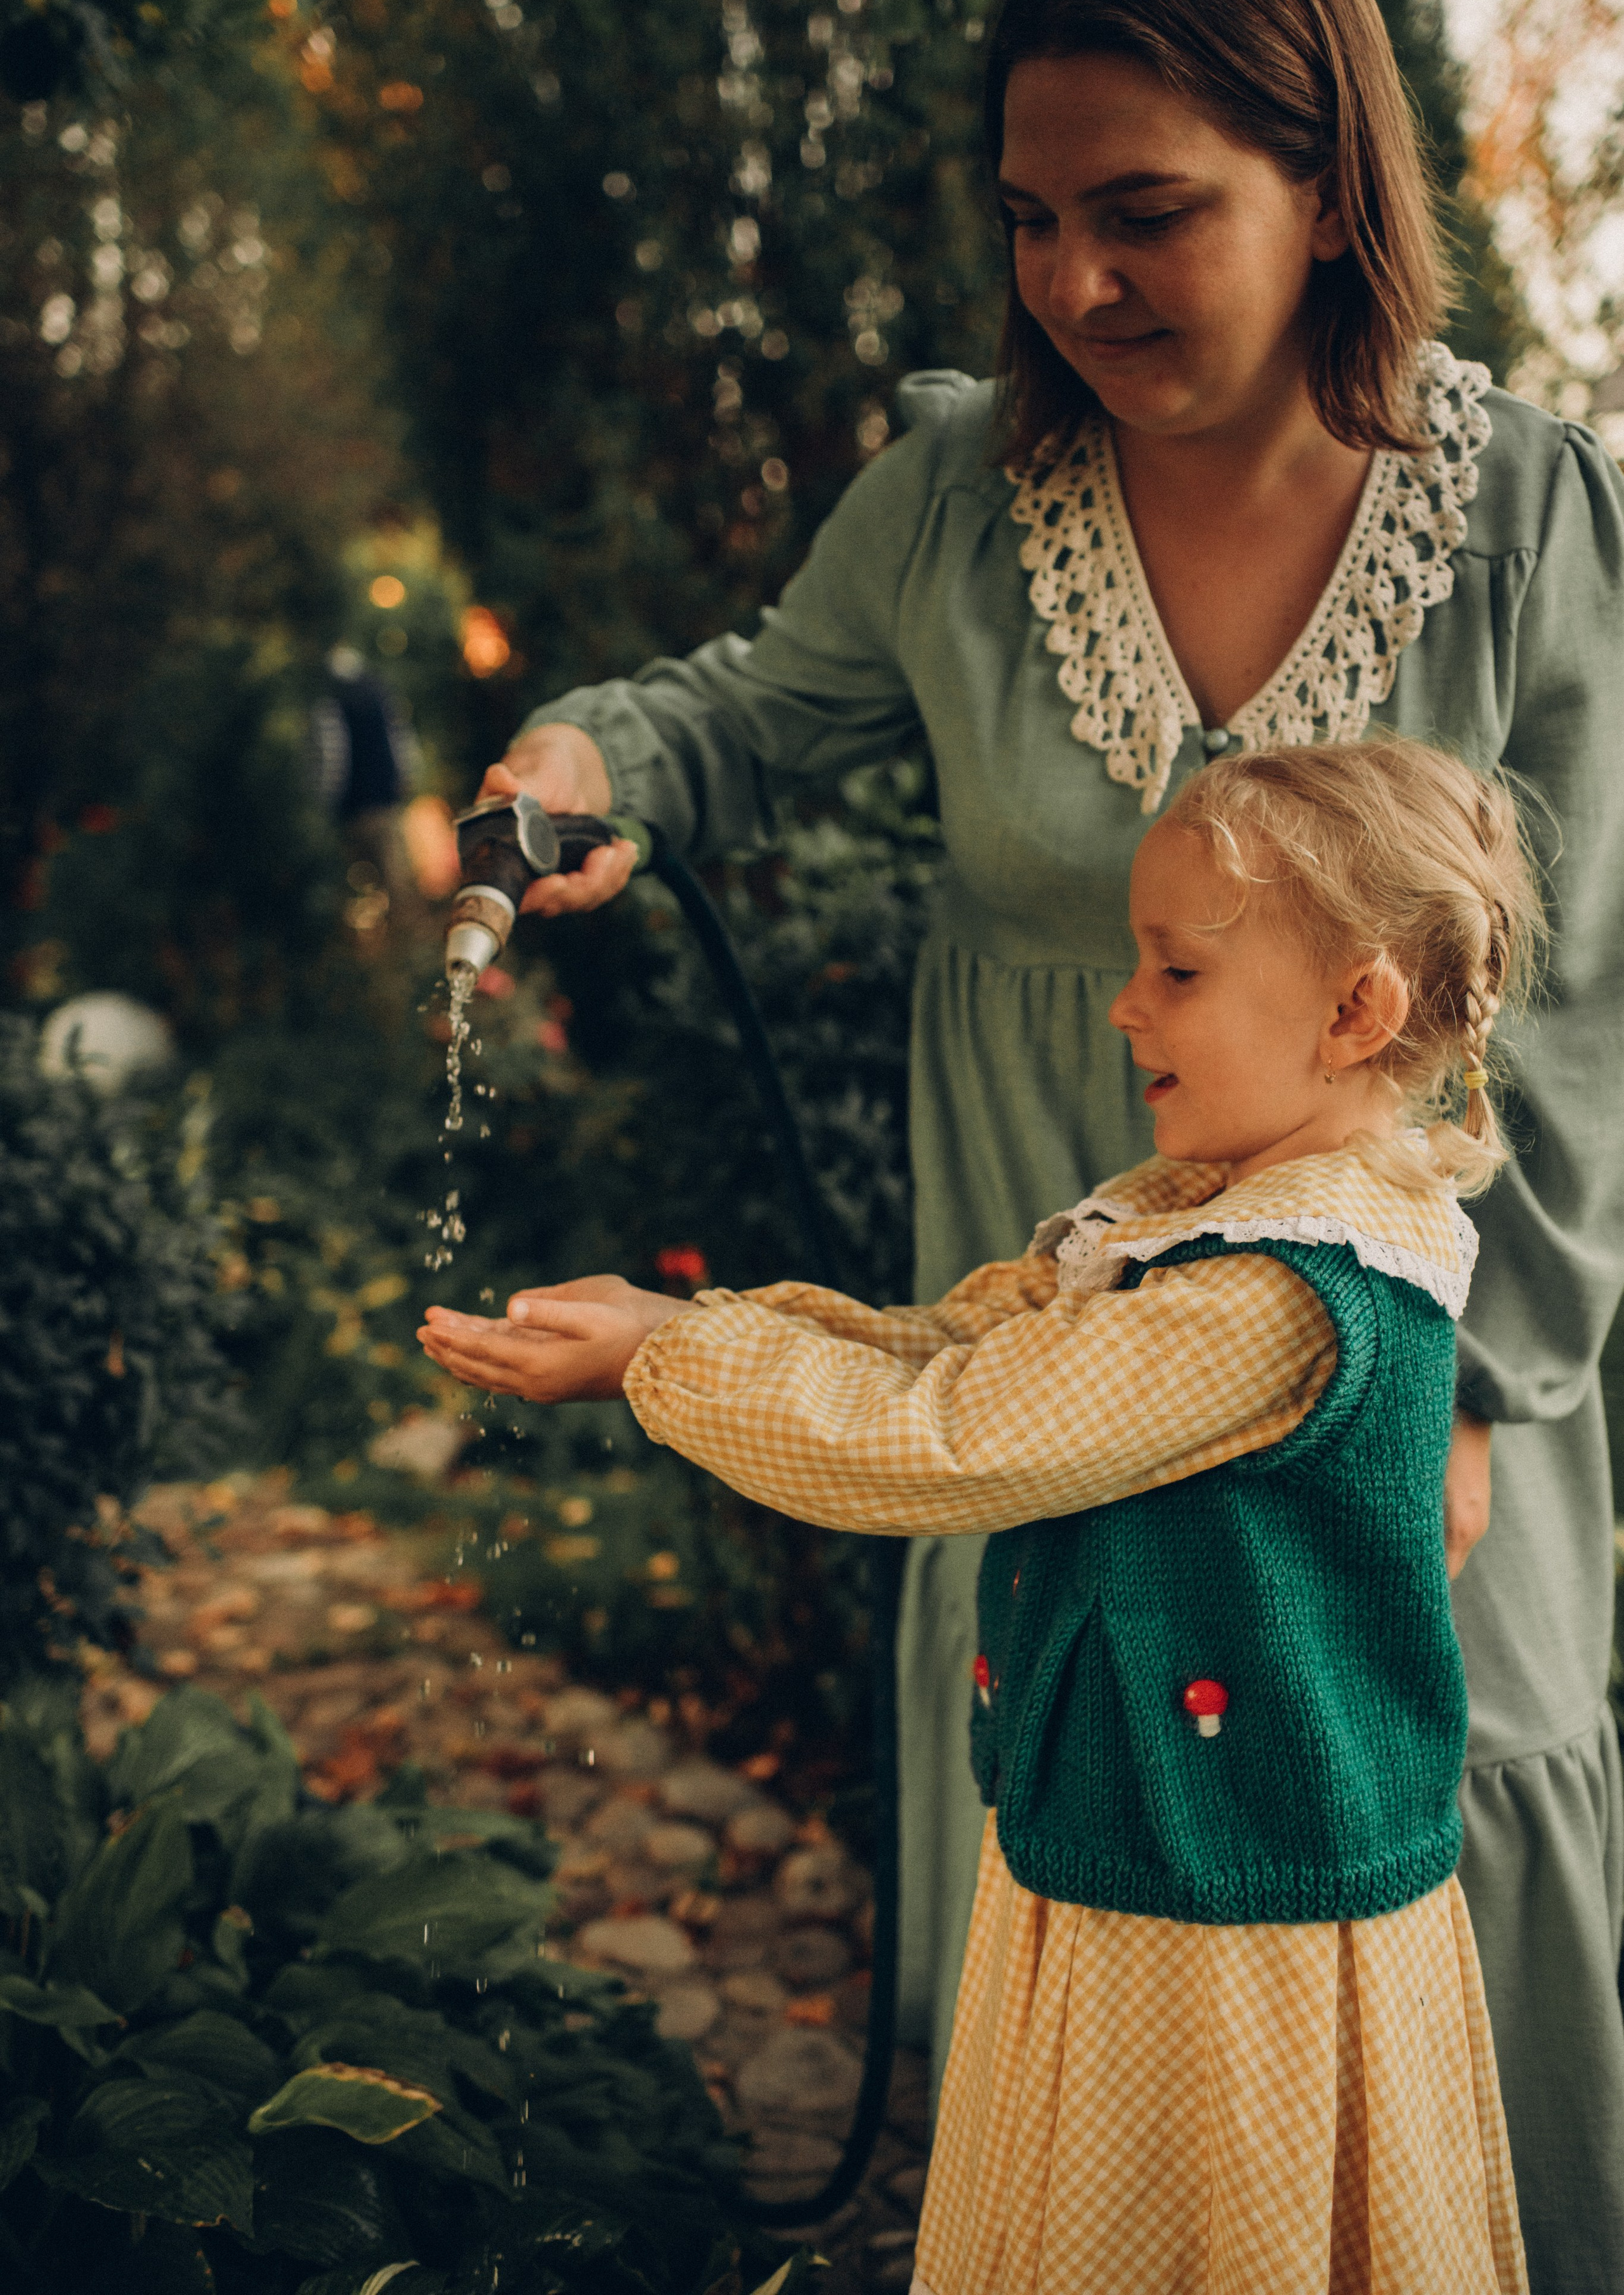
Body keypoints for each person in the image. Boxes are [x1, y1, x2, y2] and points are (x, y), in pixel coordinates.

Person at [475, 0, 1624, 2282]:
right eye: (1030, 218)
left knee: (1424, 1830)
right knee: (1088, 1833)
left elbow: (1591, 996)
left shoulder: (1521, 516)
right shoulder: (958, 496)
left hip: (1412, 1361)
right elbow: (740, 715)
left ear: (1329, 186)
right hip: (1041, 1335)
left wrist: (1479, 1383)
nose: (1077, 282)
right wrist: (601, 764)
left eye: (1148, 212)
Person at [421, 733, 1537, 2292]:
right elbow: (960, 1348)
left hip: (1223, 1920)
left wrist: (665, 1363)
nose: (1124, 1004)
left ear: (1354, 1010)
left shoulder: (1276, 1295)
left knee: (1208, 2239)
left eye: (1176, 971)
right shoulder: (1200, 1220)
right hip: (1144, 1854)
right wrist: (682, 1327)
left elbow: (948, 1440)